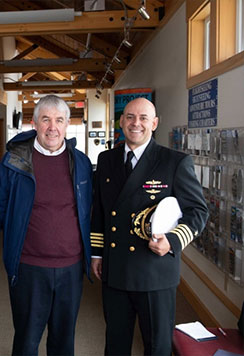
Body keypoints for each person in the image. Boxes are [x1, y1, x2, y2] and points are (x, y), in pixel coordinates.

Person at [91, 97, 209, 355]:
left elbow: (198, 211)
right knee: (116, 344)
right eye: (130, 117)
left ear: (154, 123)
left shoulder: (173, 162)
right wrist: (97, 253)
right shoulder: (107, 159)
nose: (136, 123)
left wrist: (173, 241)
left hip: (155, 272)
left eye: (144, 118)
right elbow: (99, 210)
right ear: (121, 122)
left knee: (157, 346)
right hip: (116, 270)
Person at [0, 95, 93, 356]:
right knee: (26, 339)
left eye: (59, 120)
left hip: (71, 268)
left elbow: (87, 209)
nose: (52, 127)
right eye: (45, 119)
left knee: (63, 340)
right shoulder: (13, 161)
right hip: (29, 268)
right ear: (34, 123)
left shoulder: (80, 162)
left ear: (67, 124)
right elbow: (0, 208)